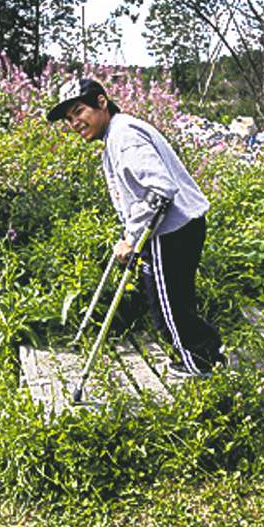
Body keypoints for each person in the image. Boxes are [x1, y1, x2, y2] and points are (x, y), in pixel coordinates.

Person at [47, 77, 224, 375]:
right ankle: (208, 349)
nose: (74, 122)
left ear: (102, 102)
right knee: (175, 301)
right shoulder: (118, 132)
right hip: (178, 226)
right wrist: (129, 232)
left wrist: (132, 237)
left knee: (166, 309)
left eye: (79, 111)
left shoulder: (123, 137)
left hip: (169, 232)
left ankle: (199, 364)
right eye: (69, 118)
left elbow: (160, 190)